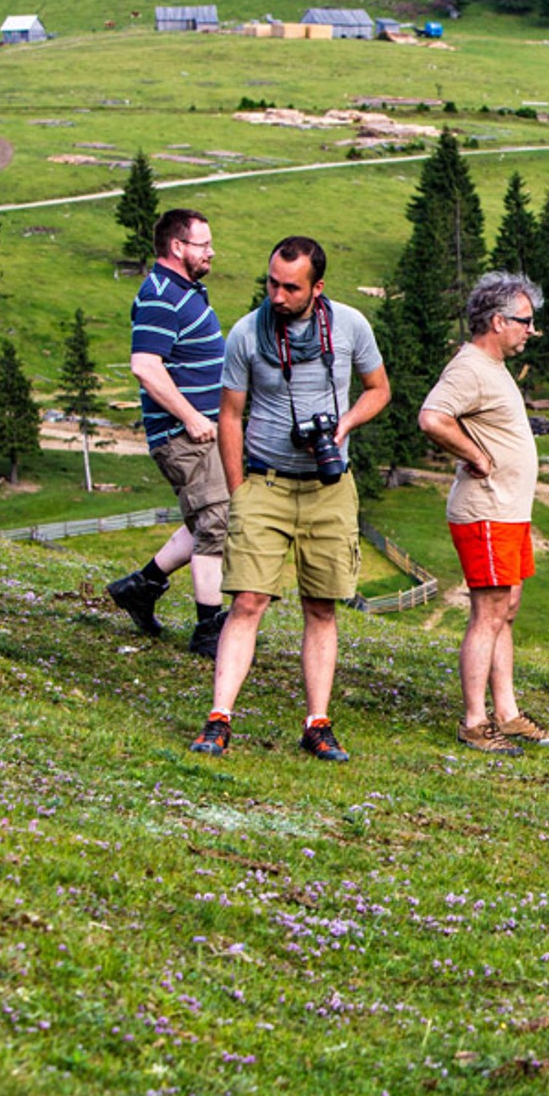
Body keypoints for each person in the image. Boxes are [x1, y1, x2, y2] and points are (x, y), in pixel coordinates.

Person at [189, 236, 390, 762]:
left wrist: (344, 425)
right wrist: (239, 492)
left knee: (321, 606)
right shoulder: (246, 335)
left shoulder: (350, 326)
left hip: (329, 486)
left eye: (290, 287)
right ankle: (218, 719)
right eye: (272, 283)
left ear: (317, 288)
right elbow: (229, 415)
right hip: (266, 482)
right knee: (248, 601)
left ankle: (317, 724)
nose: (277, 296)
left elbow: (379, 389)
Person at [418, 273, 549, 756]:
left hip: (508, 511)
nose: (531, 330)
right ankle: (476, 721)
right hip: (486, 511)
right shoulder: (470, 367)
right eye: (525, 321)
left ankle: (508, 713)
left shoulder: (493, 366)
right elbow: (433, 416)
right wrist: (475, 456)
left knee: (507, 610)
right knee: (488, 612)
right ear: (498, 321)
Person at [107, 209, 230, 657]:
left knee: (210, 515)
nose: (211, 252)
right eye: (203, 244)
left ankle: (143, 586)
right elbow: (145, 366)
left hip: (201, 431)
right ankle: (208, 631)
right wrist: (192, 417)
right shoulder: (160, 293)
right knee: (215, 521)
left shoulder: (184, 292)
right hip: (184, 434)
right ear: (177, 247)